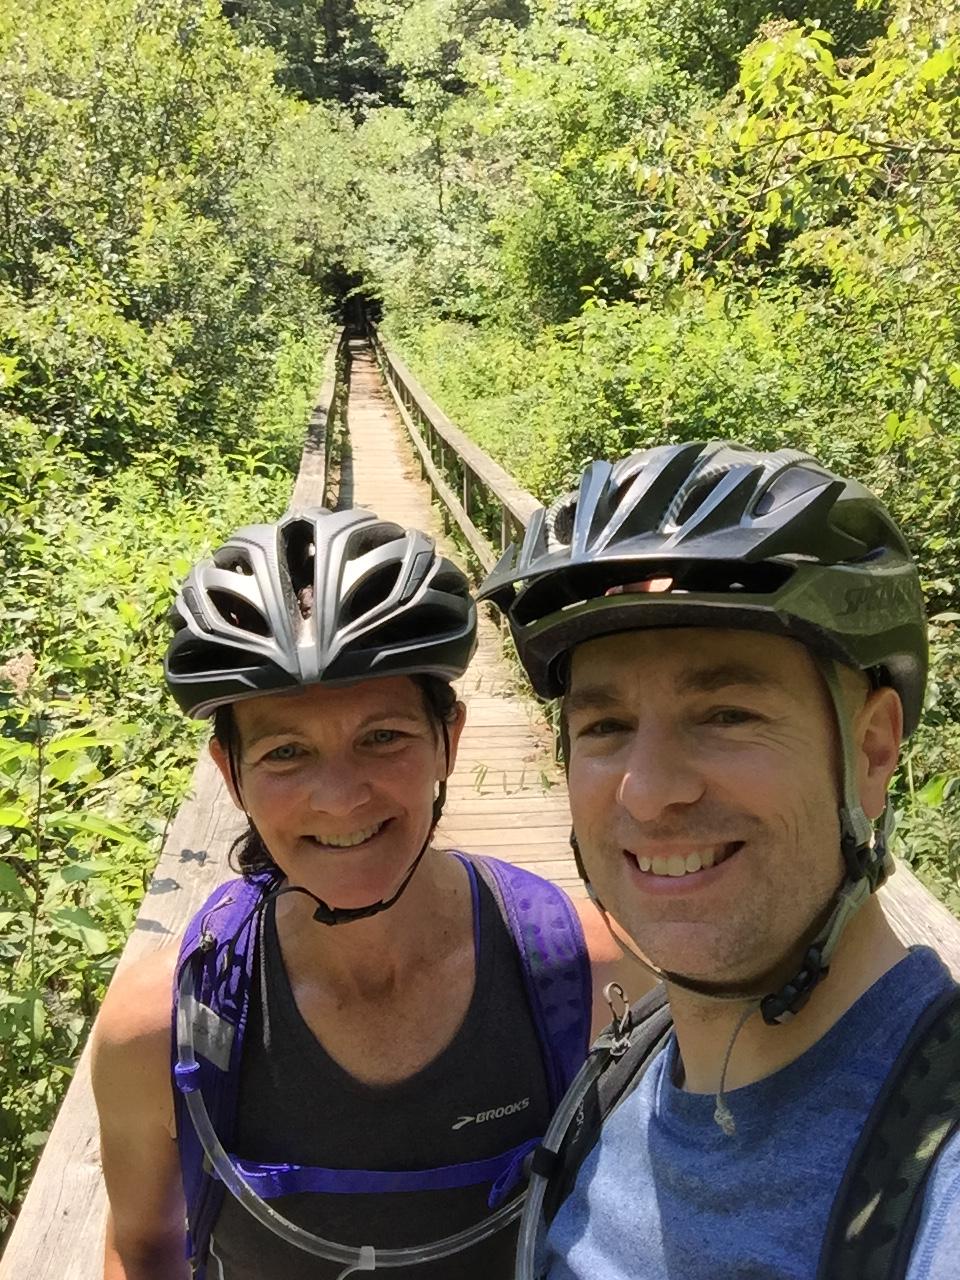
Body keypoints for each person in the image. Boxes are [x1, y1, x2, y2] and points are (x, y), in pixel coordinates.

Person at [90, 505, 637, 1280]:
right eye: (286, 752)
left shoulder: (589, 972)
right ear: (229, 772)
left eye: (383, 737)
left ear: (450, 739)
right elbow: (141, 1247)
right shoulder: (161, 1026)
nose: (342, 799)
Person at [477, 441, 960, 1279]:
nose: (648, 792)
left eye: (728, 714)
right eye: (605, 727)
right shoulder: (621, 1078)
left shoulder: (935, 1170)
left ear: (873, 751)